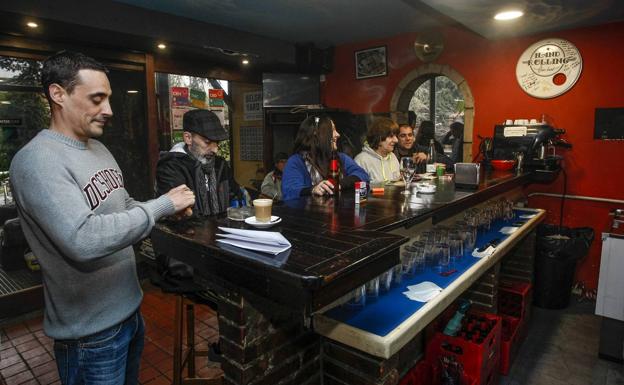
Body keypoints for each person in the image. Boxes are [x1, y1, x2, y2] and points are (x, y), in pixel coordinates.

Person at [9, 51, 195, 385]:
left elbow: (122, 204)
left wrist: (166, 209)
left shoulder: (98, 149)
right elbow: (83, 239)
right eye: (97, 99)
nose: (108, 110)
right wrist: (161, 206)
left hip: (129, 311)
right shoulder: (37, 161)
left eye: (108, 99)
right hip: (89, 334)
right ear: (58, 94)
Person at [156, 109, 242, 215]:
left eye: (217, 142)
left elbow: (235, 197)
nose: (215, 150)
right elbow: (178, 214)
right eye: (207, 142)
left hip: (221, 229)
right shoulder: (171, 167)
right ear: (188, 138)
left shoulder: (220, 165)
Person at [282, 115, 369, 200]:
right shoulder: (296, 162)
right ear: (317, 134)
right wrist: (313, 189)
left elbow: (362, 175)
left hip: (339, 212)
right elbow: (290, 192)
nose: (338, 134)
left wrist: (339, 184)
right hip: (310, 213)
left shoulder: (341, 158)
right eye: (333, 130)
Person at [354, 117, 401, 184]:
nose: (396, 140)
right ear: (379, 137)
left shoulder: (392, 156)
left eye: (396, 136)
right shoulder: (361, 160)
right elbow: (359, 190)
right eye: (391, 136)